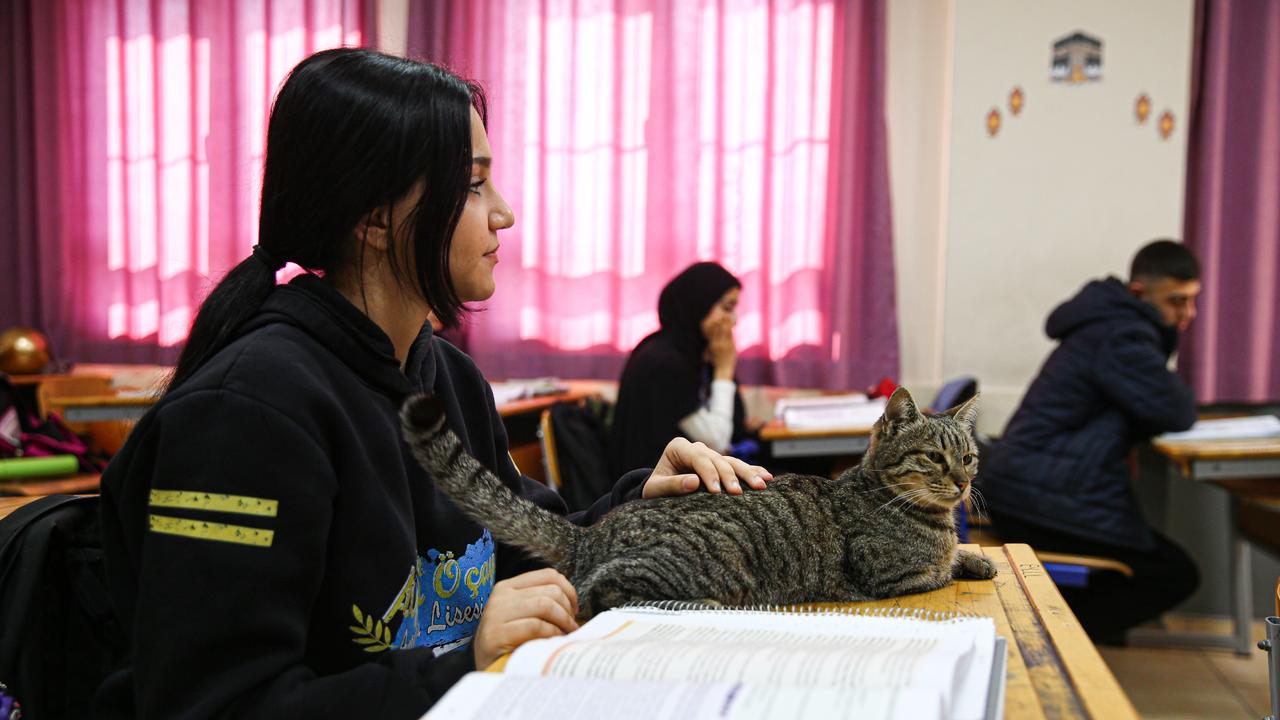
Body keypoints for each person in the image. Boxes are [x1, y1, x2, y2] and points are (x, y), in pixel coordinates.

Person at [95, 49, 770, 719]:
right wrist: (460, 667)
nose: (502, 214)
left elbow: (522, 550)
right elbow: (215, 704)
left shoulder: (445, 375)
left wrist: (644, 503)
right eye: (474, 186)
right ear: (375, 216)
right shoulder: (246, 412)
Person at [980, 239, 1202, 643]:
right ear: (1139, 294)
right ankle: (1051, 638)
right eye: (1176, 302)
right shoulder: (1122, 336)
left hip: (1026, 486)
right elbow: (1177, 410)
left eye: (1191, 301)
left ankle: (1054, 629)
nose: (1188, 315)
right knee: (1174, 574)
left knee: (1161, 564)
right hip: (1038, 495)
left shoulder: (1108, 326)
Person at [608, 262, 765, 479]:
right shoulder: (664, 361)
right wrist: (724, 370)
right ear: (698, 306)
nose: (735, 320)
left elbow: (734, 427)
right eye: (727, 308)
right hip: (655, 489)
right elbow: (717, 441)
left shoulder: (694, 352)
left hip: (690, 477)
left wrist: (720, 366)